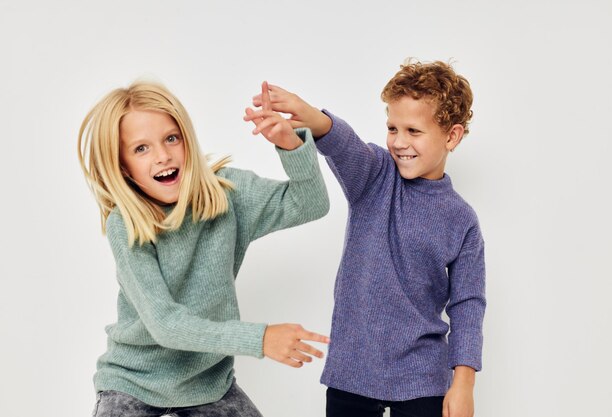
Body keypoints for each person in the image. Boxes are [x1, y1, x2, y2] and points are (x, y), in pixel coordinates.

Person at [247, 60, 486, 417]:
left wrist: (463, 384)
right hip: (352, 375)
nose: (399, 141)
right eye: (393, 127)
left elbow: (468, 304)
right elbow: (344, 145)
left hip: (423, 381)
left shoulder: (462, 220)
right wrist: (312, 117)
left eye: (413, 131)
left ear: (451, 136)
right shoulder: (374, 175)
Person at [78, 80, 330, 416]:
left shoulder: (228, 193)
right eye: (141, 148)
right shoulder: (126, 224)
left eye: (171, 138)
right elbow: (165, 324)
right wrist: (261, 339)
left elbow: (310, 203)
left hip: (208, 381)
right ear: (123, 166)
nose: (163, 156)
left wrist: (289, 145)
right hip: (134, 381)